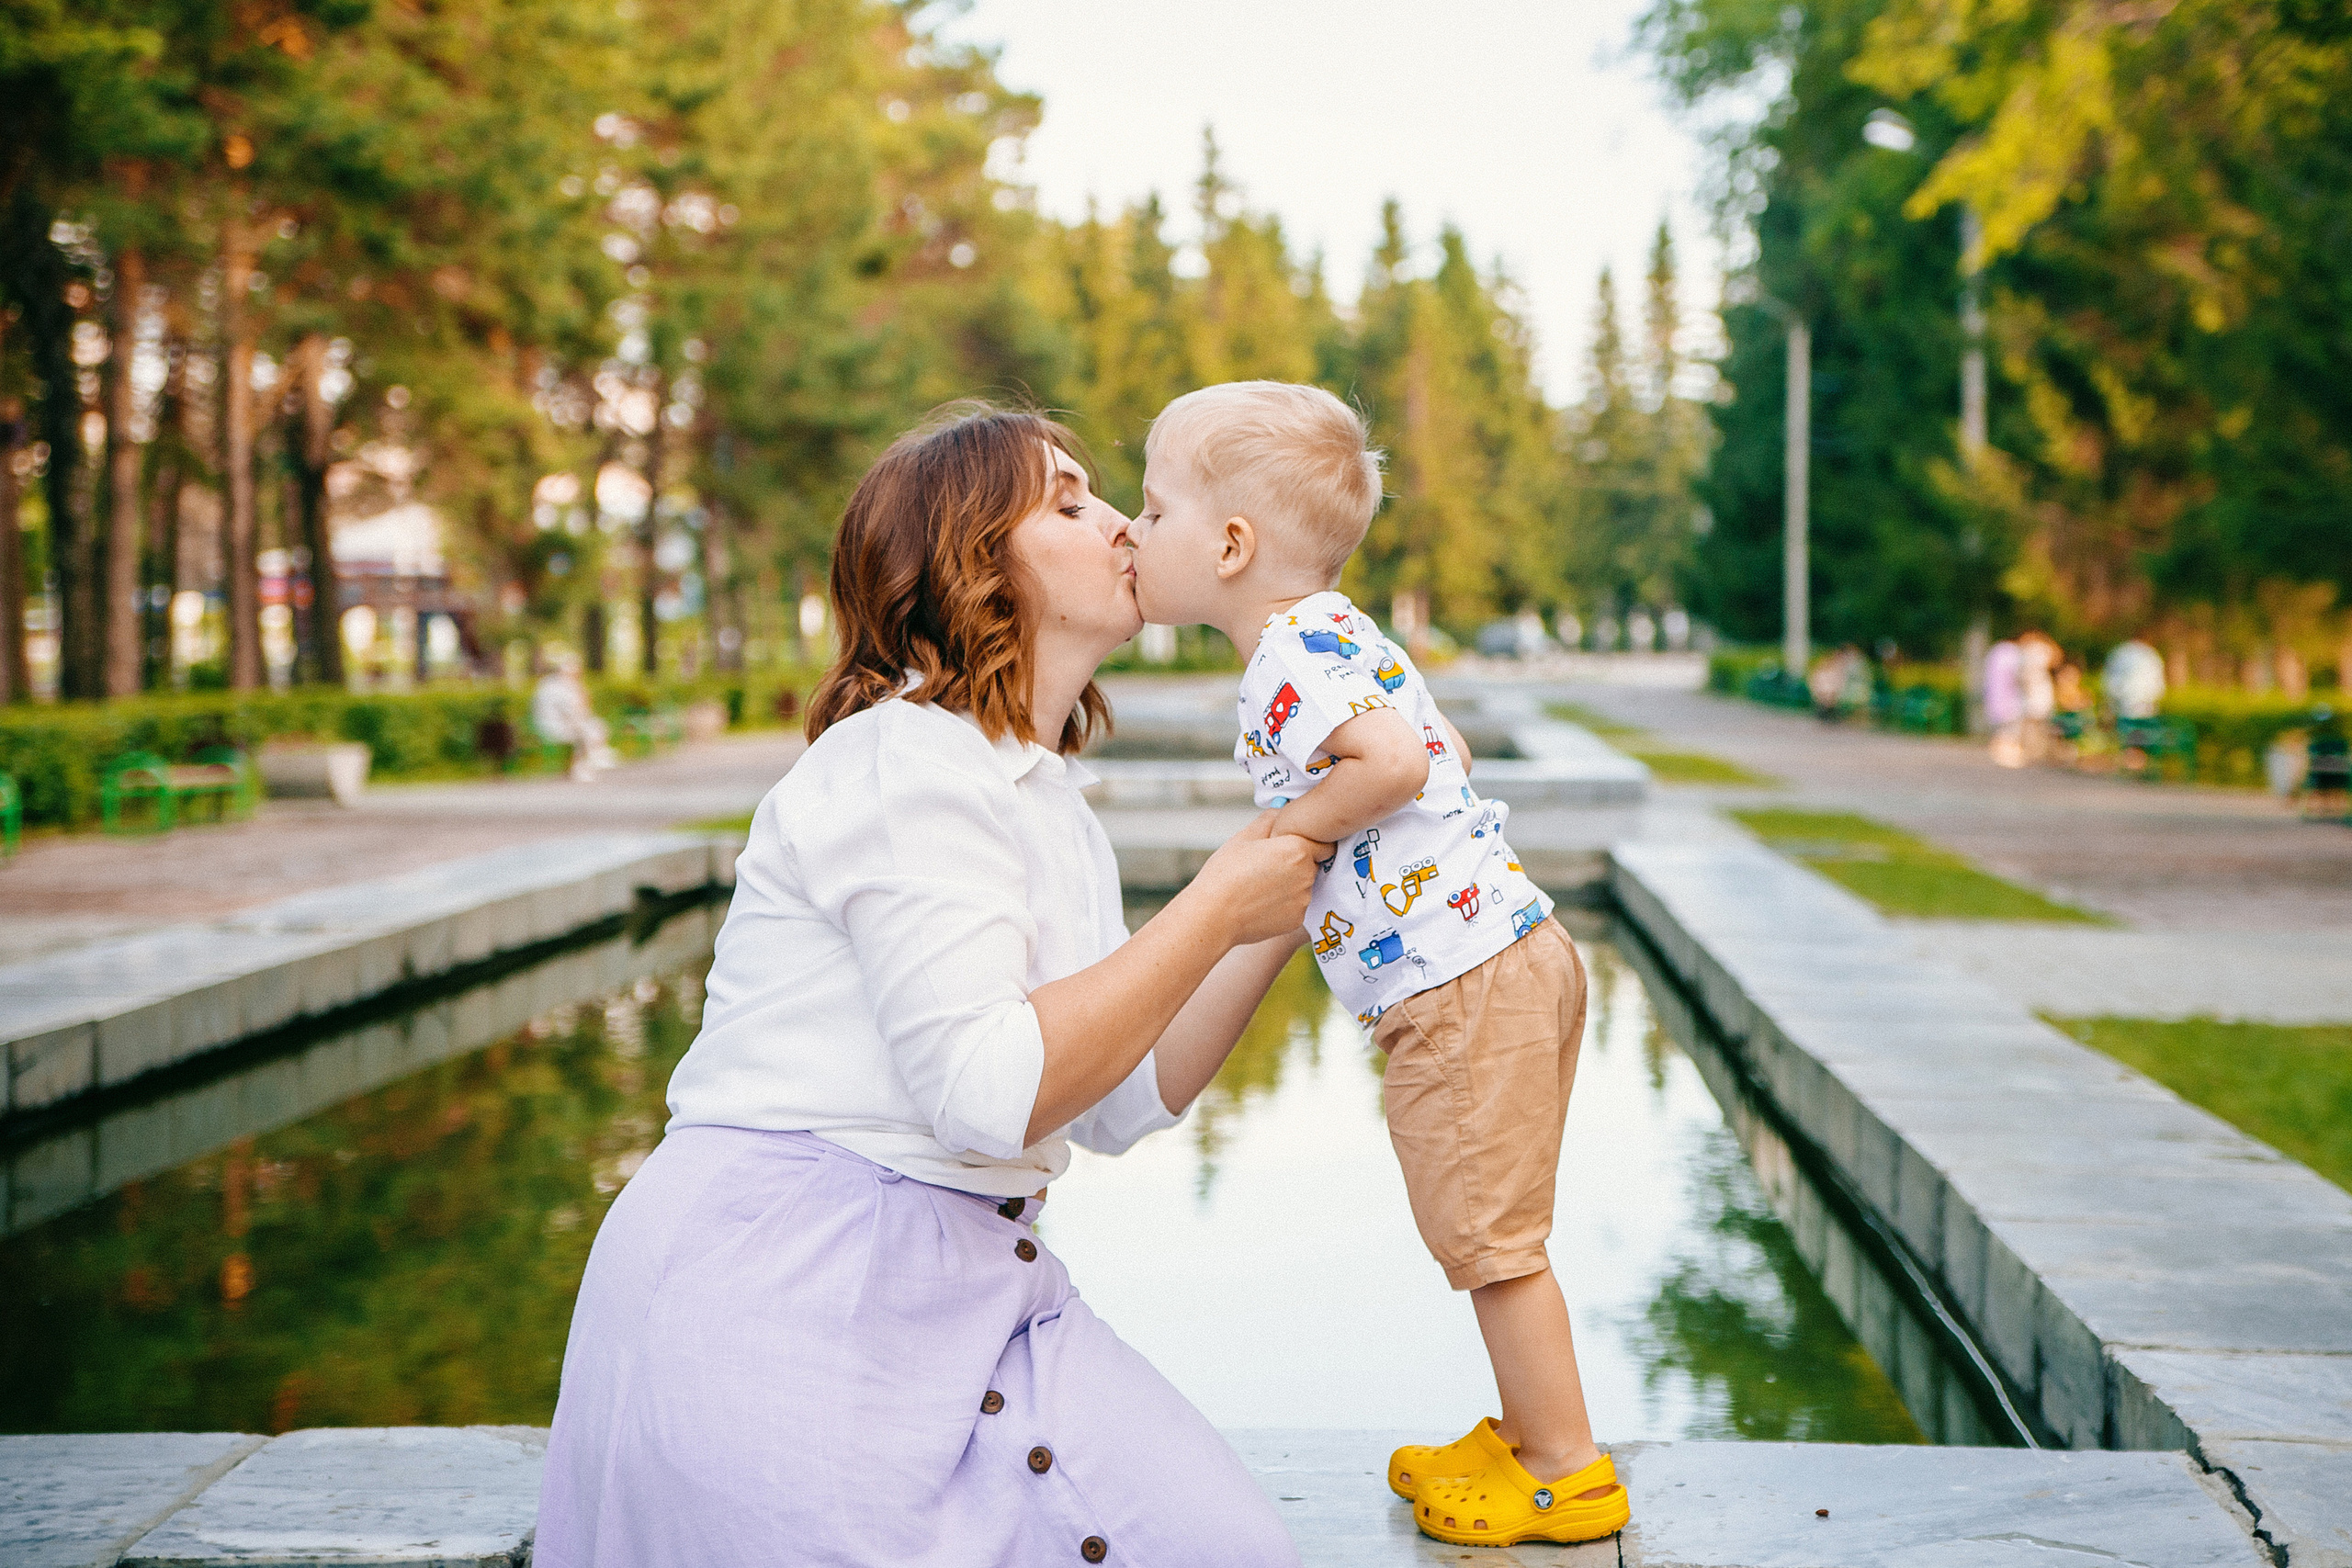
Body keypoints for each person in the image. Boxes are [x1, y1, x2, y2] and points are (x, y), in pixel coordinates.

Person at [535, 405, 1325, 1568]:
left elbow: (1123, 1095)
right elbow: (987, 1093)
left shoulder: (1042, 797)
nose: (1121, 523)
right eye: (1068, 503)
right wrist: (1214, 904)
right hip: (783, 1291)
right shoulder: (901, 761)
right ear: (974, 566)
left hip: (982, 1290)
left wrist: (1300, 867)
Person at [1125, 381, 1627, 1550]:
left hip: (1455, 981)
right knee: (1494, 1224)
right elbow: (1439, 750)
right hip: (1508, 949)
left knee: (1490, 1243)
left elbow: (1395, 765)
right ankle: (1526, 1435)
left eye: (1151, 511)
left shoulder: (1283, 657)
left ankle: (1564, 1472)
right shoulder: (1339, 629)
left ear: (1230, 545)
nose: (1133, 532)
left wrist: (1289, 834)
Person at [530, 651, 616, 782]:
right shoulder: (554, 686)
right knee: (583, 731)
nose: (577, 676)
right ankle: (586, 763)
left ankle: (592, 758)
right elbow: (572, 710)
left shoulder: (562, 685)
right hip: (550, 726)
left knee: (593, 725)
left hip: (560, 723)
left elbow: (581, 709)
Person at [1983, 637, 2025, 767]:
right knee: (2009, 731)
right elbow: (2017, 676)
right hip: (2010, 698)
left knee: (2002, 730)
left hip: (1996, 697)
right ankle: (2007, 756)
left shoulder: (1996, 652)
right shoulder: (2012, 653)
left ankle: (2001, 755)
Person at [2104, 637, 2167, 721]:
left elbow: (2109, 683)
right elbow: (2158, 687)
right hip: (2143, 710)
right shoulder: (2151, 655)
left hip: (2124, 710)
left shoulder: (2119, 654)